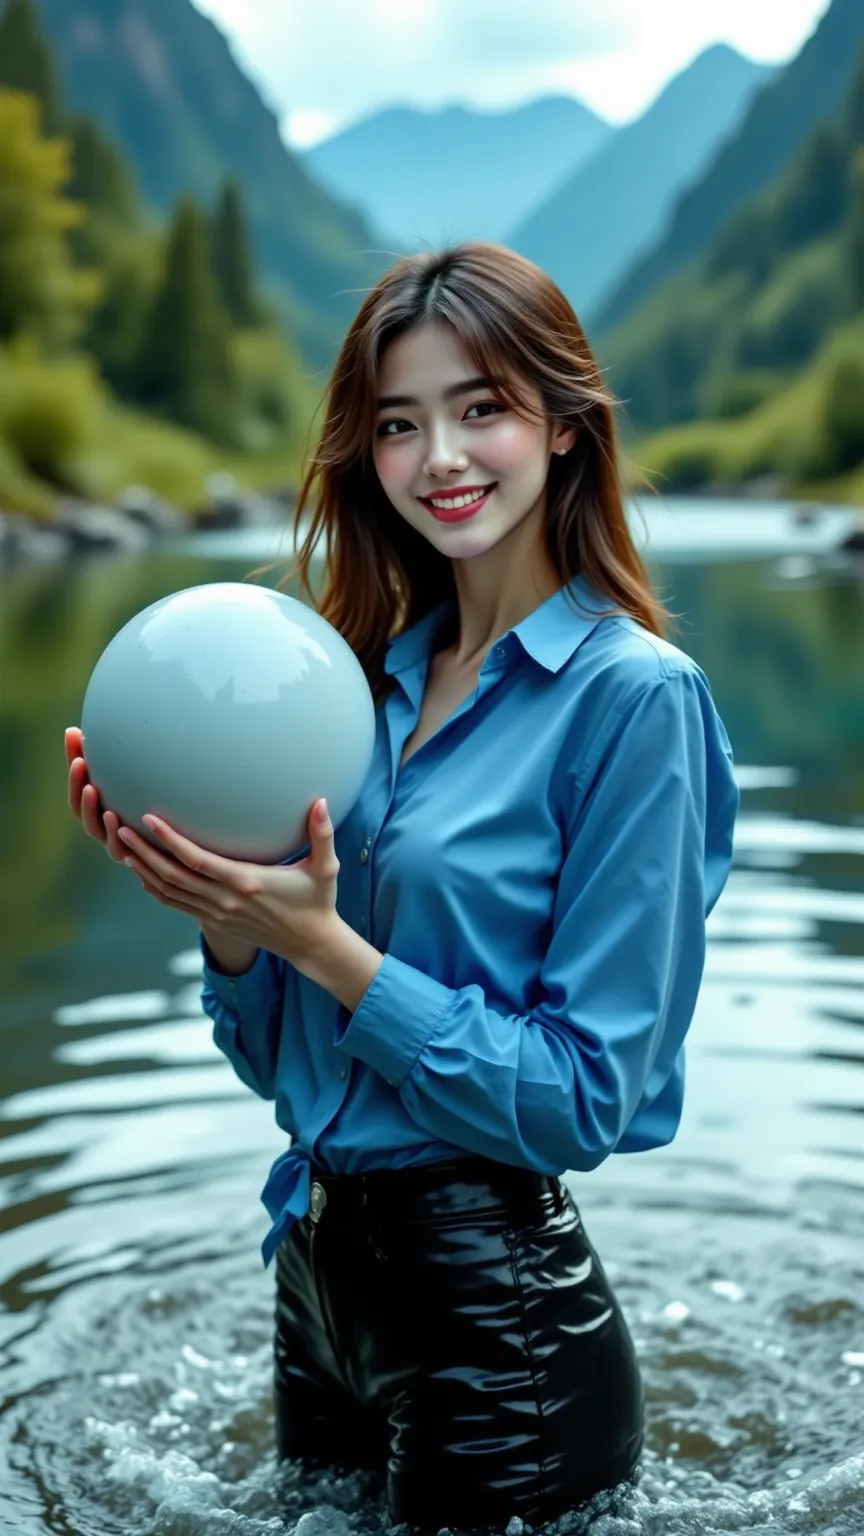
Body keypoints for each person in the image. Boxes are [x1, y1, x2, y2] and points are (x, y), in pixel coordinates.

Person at [65, 241, 740, 1534]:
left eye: (480, 407)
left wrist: (327, 949)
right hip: (313, 1281)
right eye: (397, 422)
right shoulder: (347, 690)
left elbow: (582, 1099)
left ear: (563, 423)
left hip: (495, 1331)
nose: (440, 457)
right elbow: (286, 1073)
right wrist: (232, 931)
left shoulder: (633, 703)